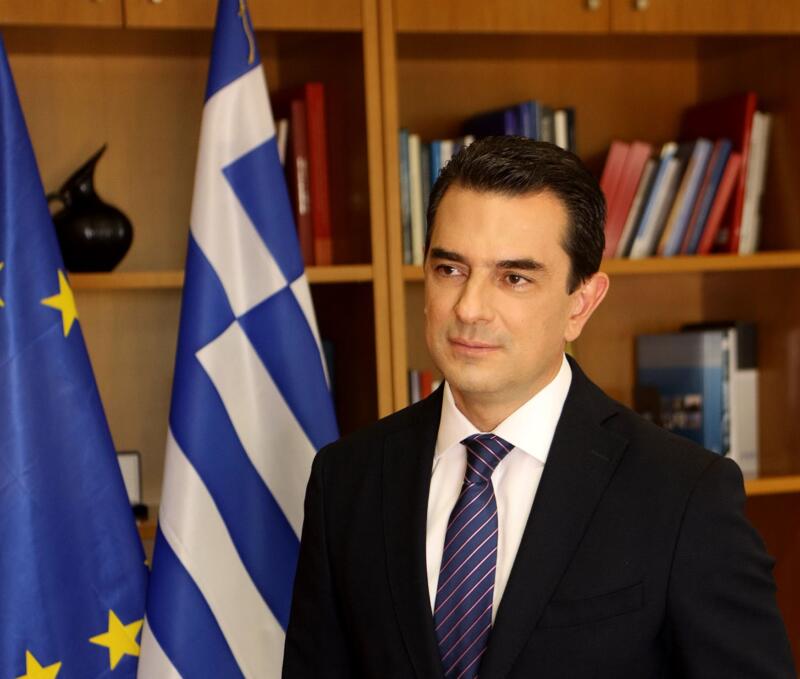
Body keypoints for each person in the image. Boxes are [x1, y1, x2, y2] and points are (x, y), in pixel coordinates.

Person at [282, 137, 796, 678]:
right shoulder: (346, 479)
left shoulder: (684, 493)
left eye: (515, 278)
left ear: (581, 304)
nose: (470, 308)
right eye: (450, 269)